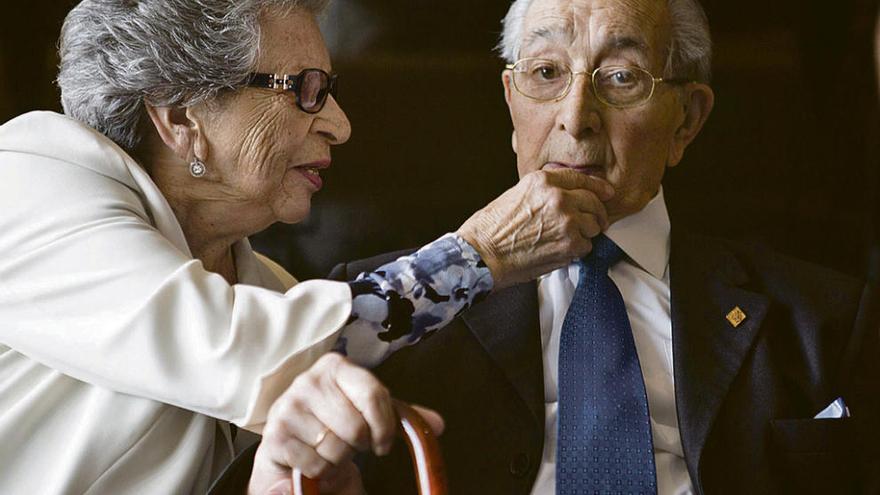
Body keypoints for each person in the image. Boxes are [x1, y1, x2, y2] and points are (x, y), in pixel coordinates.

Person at [265, 0, 880, 493]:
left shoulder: (824, 319)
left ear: (686, 120)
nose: (576, 117)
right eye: (546, 73)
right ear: (511, 103)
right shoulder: (383, 316)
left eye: (620, 77)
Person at [0, 0, 615, 493]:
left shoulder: (278, 295)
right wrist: (479, 252)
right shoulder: (28, 173)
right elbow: (237, 350)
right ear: (181, 114)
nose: (340, 124)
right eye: (304, 88)